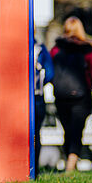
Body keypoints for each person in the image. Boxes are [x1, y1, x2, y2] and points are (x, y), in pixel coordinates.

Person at [51, 16, 92, 172]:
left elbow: (49, 70)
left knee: (67, 130)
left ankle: (69, 162)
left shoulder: (56, 49)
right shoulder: (86, 49)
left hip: (61, 96)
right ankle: (70, 166)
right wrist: (91, 83)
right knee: (76, 132)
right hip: (81, 97)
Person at [33, 35, 54, 174]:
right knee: (36, 133)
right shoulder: (40, 48)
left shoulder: (14, 47)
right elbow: (50, 73)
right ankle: (34, 167)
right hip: (37, 96)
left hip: (18, 97)